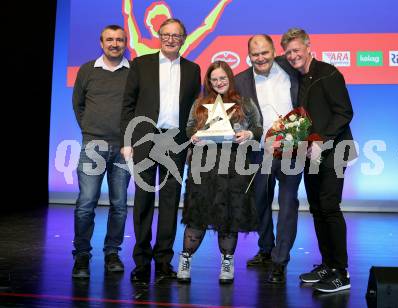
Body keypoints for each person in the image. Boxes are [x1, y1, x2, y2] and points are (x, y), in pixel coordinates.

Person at [120, 18, 201, 283]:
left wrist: (190, 142)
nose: (170, 39)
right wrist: (127, 140)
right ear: (158, 36)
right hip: (144, 139)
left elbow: (194, 111)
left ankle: (163, 260)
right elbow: (128, 105)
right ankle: (141, 261)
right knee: (143, 201)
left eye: (176, 36)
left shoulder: (193, 69)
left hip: (175, 141)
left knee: (169, 202)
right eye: (166, 34)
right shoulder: (141, 64)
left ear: (183, 38)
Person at [281, 28, 356, 293]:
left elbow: (344, 111)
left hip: (334, 151)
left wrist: (321, 140)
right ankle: (328, 264)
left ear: (309, 46)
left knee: (329, 207)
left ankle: (342, 273)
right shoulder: (300, 79)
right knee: (316, 208)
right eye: (288, 52)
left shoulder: (329, 73)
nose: (292, 55)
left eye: (296, 49)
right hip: (311, 154)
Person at [176, 61, 262, 284]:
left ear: (230, 78)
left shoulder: (245, 103)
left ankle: (227, 262)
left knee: (230, 215)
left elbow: (259, 127)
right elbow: (189, 128)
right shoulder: (200, 103)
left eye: (222, 78)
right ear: (209, 82)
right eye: (214, 79)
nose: (219, 83)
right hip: (204, 166)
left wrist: (249, 134)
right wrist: (193, 136)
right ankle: (185, 258)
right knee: (198, 214)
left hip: (234, 167)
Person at [234, 35, 302, 284]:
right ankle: (265, 249)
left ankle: (280, 259)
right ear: (249, 55)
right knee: (259, 201)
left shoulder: (291, 70)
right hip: (258, 149)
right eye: (255, 54)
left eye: (265, 52)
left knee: (287, 205)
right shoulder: (240, 80)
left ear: (275, 51)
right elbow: (236, 115)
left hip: (292, 149)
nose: (260, 58)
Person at [71, 25, 131, 278]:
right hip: (93, 145)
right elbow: (78, 104)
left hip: (123, 149)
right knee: (86, 203)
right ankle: (82, 255)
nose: (114, 44)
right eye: (110, 39)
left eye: (119, 40)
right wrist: (89, 129)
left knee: (119, 205)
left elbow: (137, 107)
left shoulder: (133, 72)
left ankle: (112, 252)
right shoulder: (87, 70)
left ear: (125, 42)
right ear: (101, 42)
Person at [123, 0, 231, 58]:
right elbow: (128, 14)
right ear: (149, 24)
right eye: (156, 20)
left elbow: (206, 26)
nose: (160, 24)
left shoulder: (181, 47)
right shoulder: (140, 48)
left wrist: (222, 3)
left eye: (164, 19)